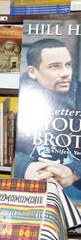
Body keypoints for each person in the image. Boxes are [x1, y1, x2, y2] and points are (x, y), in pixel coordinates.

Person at [14, 39, 81, 200]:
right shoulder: (20, 97)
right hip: (29, 190)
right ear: (32, 72)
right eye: (54, 66)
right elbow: (13, 152)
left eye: (68, 65)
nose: (65, 73)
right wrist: (25, 167)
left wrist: (75, 171)